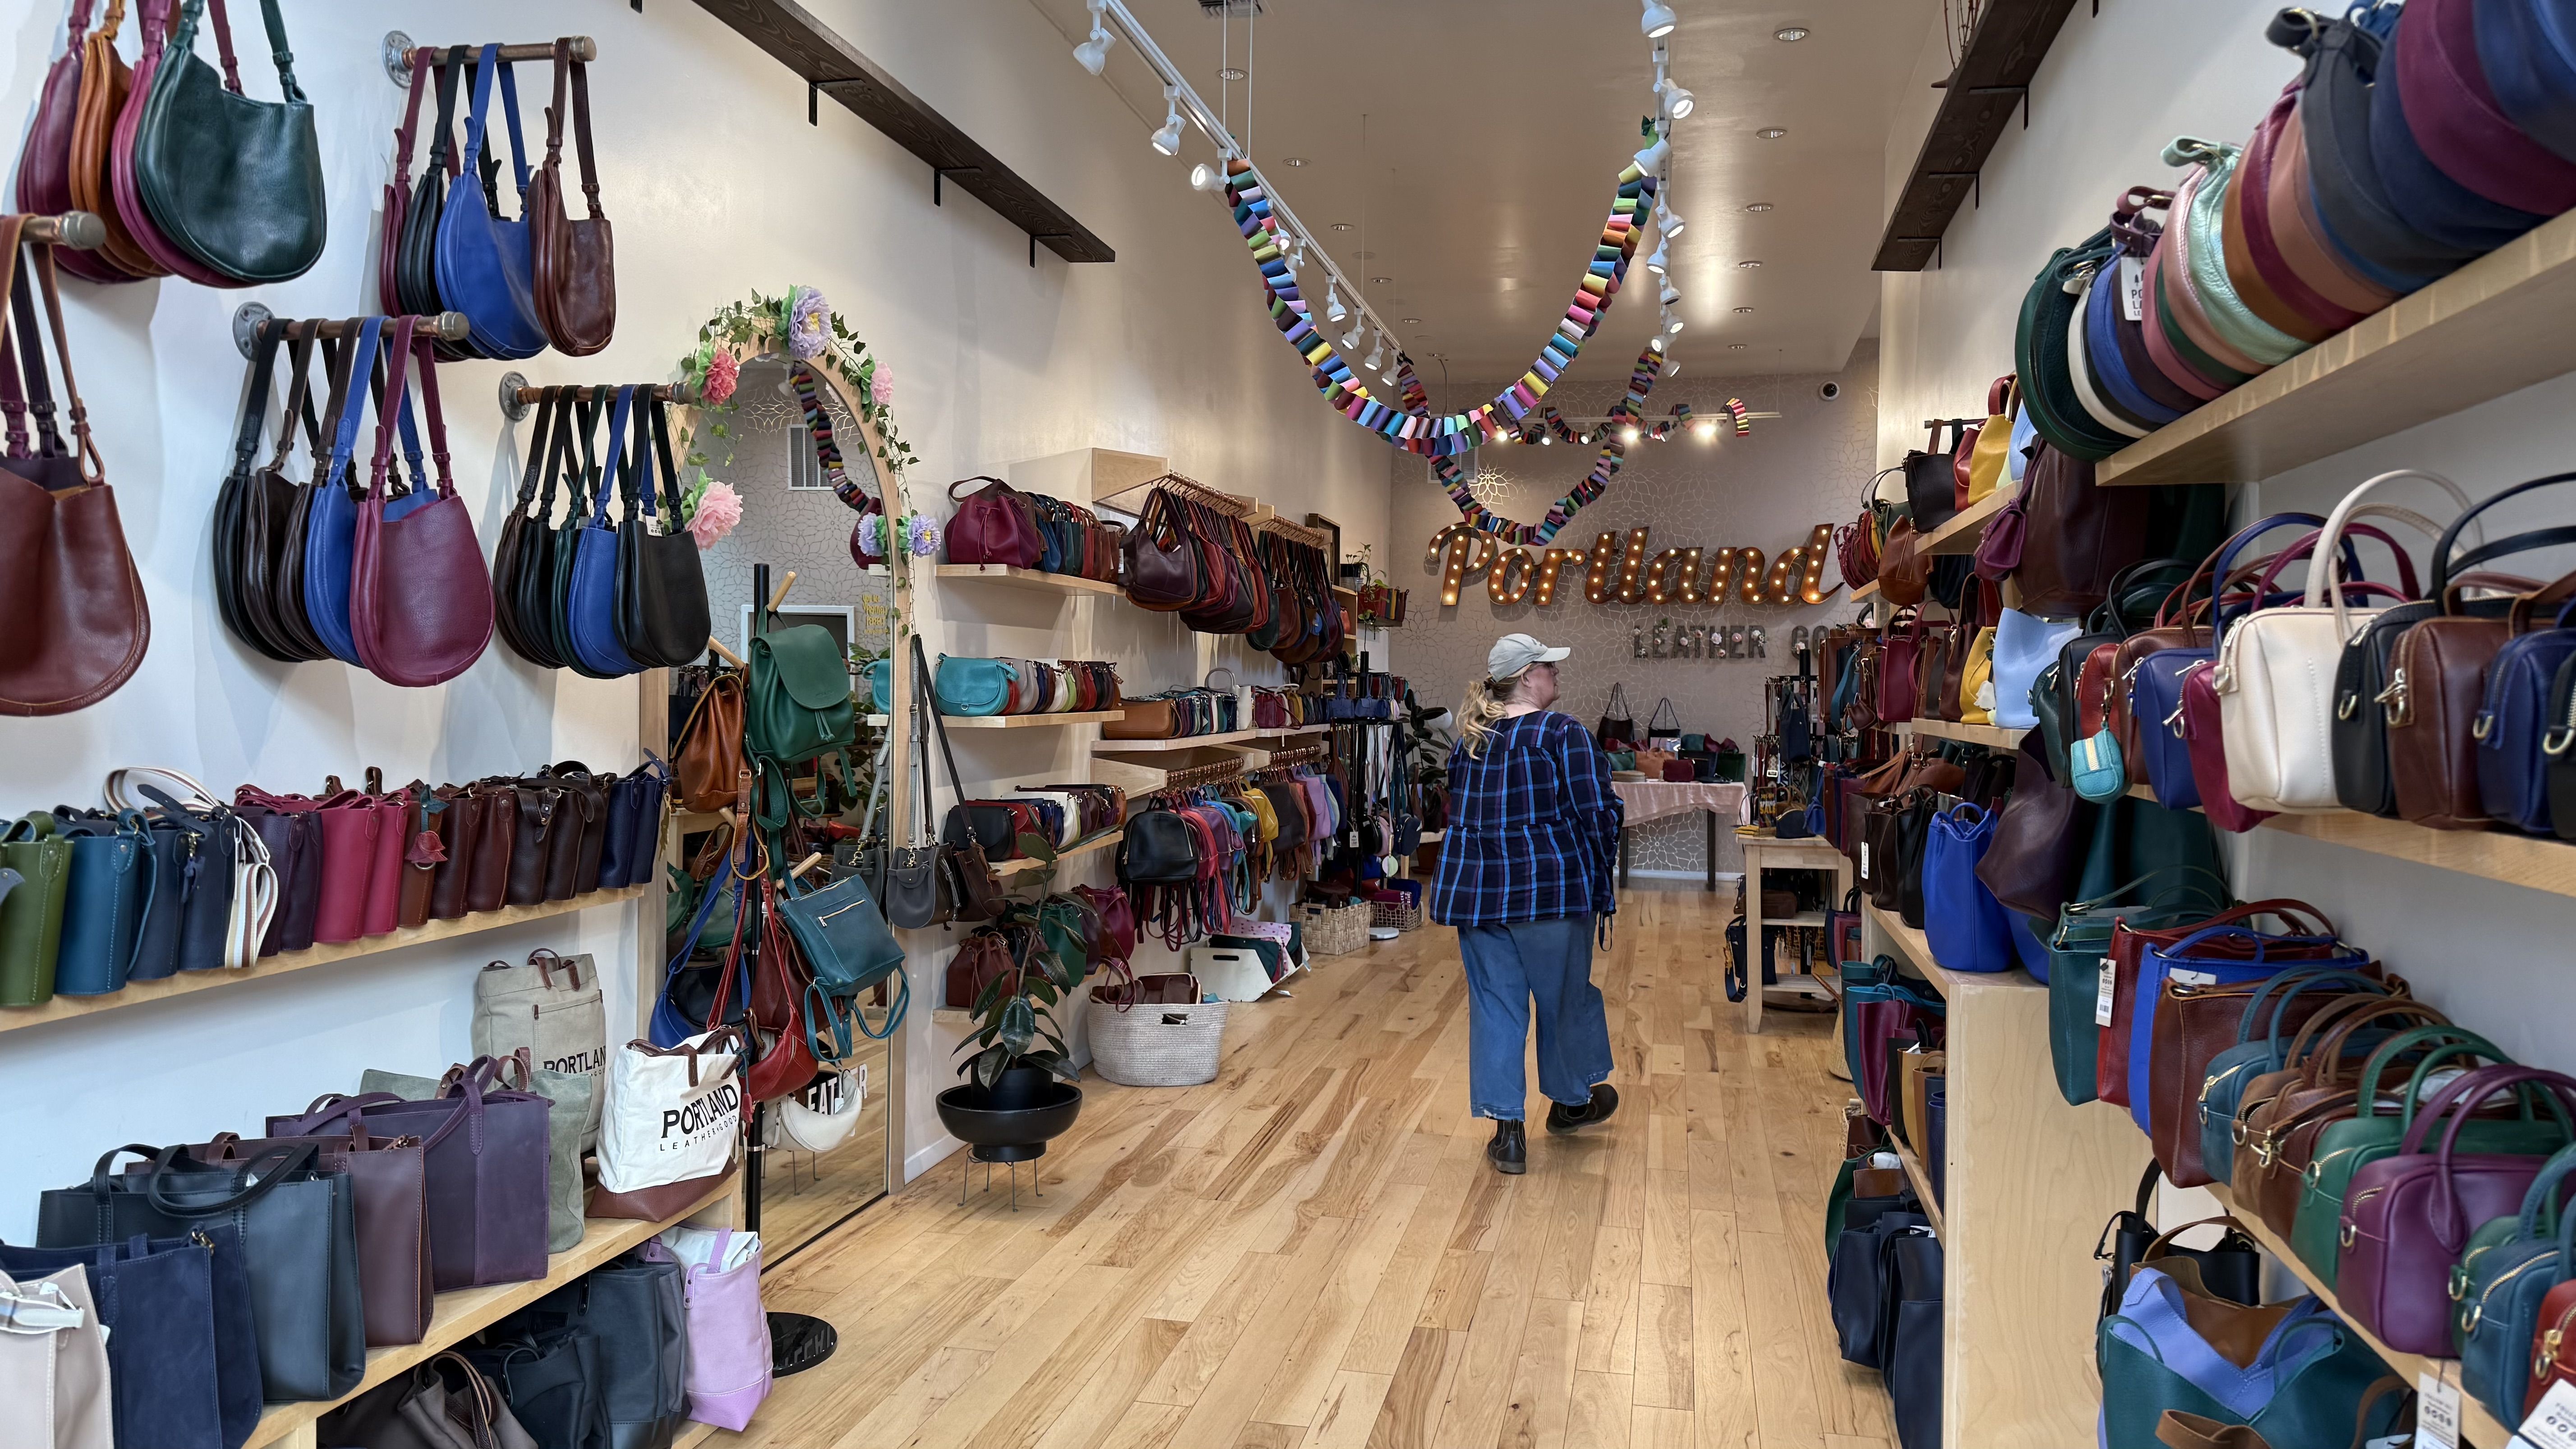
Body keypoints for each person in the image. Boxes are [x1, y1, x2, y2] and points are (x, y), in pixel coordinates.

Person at [1426, 633, 1623, 1175]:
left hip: (1478, 895)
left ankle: (1508, 1133)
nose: (1556, 674)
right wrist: (1601, 869)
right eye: (1548, 667)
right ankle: (1571, 1103)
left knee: (1496, 1006)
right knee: (1564, 999)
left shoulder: (1471, 740)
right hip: (1549, 891)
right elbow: (1597, 812)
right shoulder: (1561, 733)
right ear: (1528, 676)